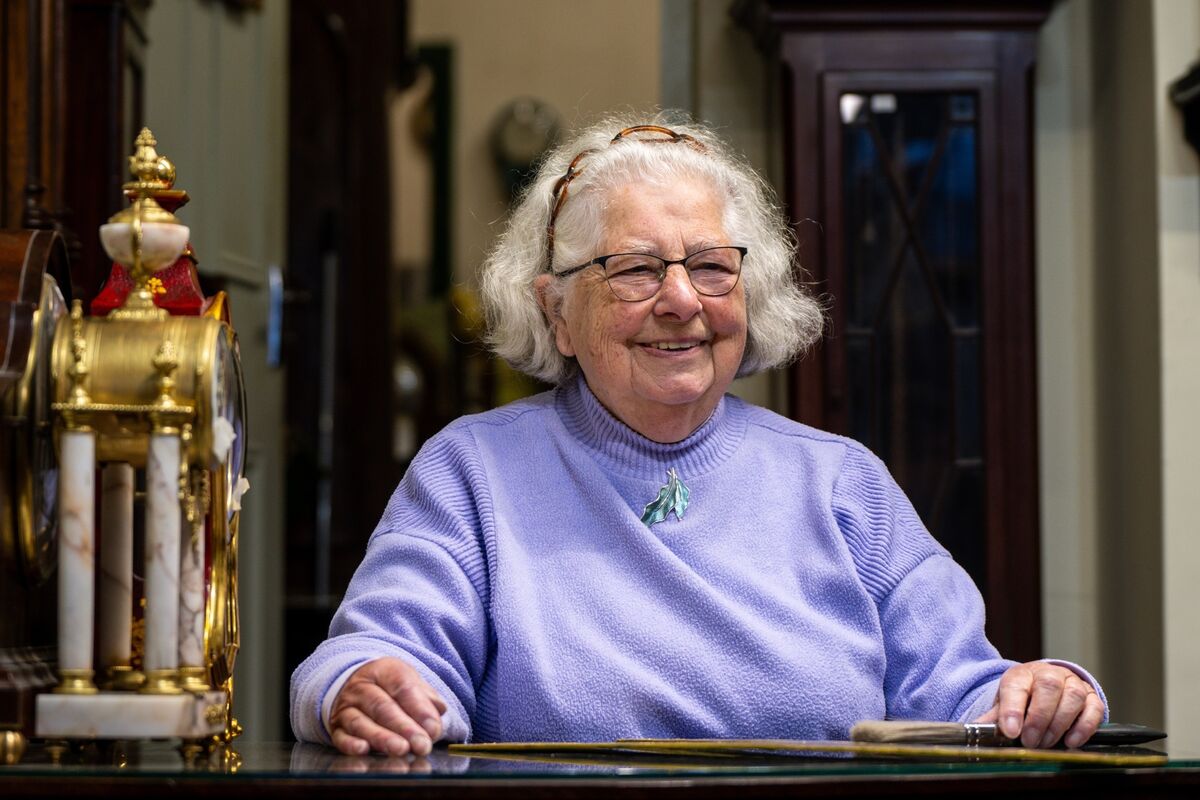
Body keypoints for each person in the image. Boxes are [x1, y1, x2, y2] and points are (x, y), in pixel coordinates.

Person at [290, 113, 1108, 758]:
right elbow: (376, 654)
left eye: (713, 266)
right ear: (555, 312)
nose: (682, 300)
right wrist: (359, 684)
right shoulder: (474, 472)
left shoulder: (840, 482)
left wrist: (1042, 692)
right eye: (637, 269)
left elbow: (967, 690)